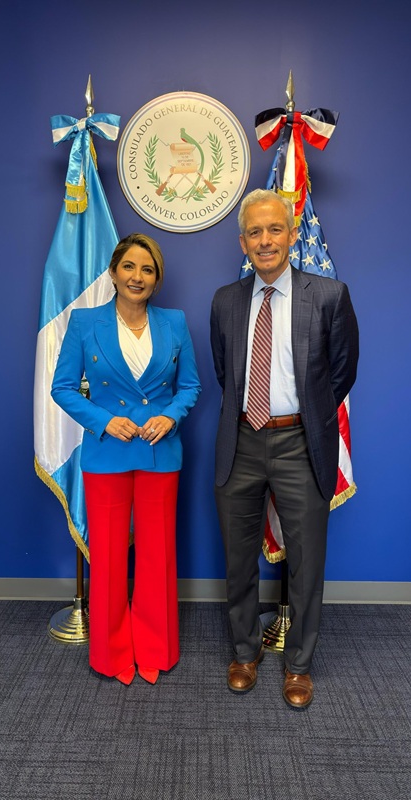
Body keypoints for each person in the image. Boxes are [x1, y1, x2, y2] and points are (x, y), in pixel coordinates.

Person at [210, 189, 358, 707]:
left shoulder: (330, 295)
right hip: (241, 441)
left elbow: (341, 373)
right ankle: (244, 652)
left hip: (301, 442)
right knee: (238, 559)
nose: (265, 240)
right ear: (243, 242)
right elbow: (225, 373)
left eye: (275, 229)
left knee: (307, 562)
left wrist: (303, 418)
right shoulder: (225, 301)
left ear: (293, 235)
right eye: (254, 232)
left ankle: (298, 664)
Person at [52, 233, 201, 685]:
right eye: (130, 267)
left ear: (157, 280)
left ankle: (155, 647)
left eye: (148, 269)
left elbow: (190, 386)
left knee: (158, 555)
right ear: (114, 273)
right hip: (107, 453)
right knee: (109, 558)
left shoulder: (174, 322)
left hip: (160, 452)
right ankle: (112, 652)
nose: (138, 276)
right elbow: (62, 388)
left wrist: (170, 416)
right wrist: (103, 420)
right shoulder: (84, 322)